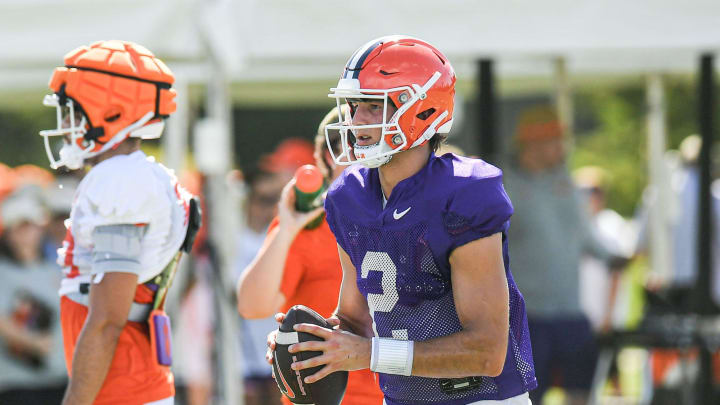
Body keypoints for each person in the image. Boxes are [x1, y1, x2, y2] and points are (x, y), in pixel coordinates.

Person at [267, 35, 537, 405]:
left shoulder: (464, 192)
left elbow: (487, 352)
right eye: (353, 105)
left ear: (422, 110)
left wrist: (370, 354)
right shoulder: (348, 196)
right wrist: (316, 343)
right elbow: (355, 319)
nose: (356, 120)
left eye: (373, 107)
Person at [38, 40, 199, 405]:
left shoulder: (121, 181)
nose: (65, 125)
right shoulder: (134, 175)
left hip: (122, 385)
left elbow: (108, 318)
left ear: (110, 113)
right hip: (129, 378)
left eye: (74, 113)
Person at [238, 105, 384, 405]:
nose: (359, 155)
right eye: (350, 144)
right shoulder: (312, 224)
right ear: (326, 157)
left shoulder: (414, 213)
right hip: (328, 396)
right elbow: (252, 305)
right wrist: (287, 230)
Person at [502, 106, 625, 405]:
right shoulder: (504, 184)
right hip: (527, 317)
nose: (562, 148)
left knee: (582, 392)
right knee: (527, 397)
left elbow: (586, 237)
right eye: (555, 140)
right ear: (533, 143)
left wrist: (617, 257)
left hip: (570, 312)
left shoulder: (565, 184)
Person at [0, 186, 67, 404]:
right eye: (21, 226)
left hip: (59, 379)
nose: (28, 233)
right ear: (9, 231)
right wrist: (33, 342)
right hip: (18, 384)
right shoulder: (3, 270)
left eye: (32, 226)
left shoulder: (55, 267)